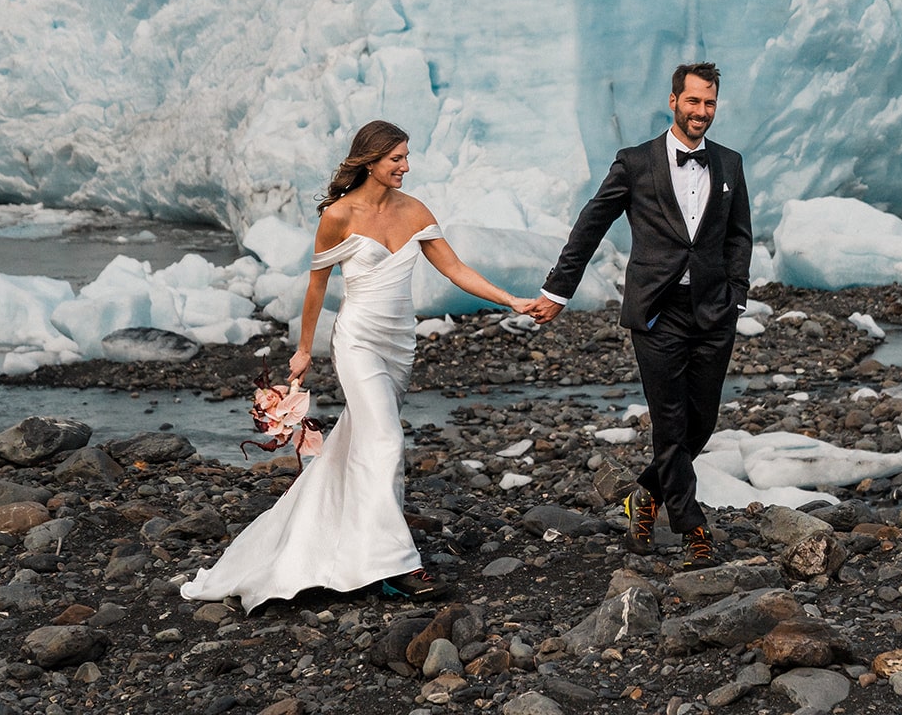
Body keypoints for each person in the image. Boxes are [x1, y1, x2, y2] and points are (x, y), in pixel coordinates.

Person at [182, 120, 532, 612]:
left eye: (407, 157)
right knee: (386, 441)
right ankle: (398, 567)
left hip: (398, 346)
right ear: (370, 160)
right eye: (397, 159)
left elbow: (454, 269)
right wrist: (304, 350)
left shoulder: (415, 211)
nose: (406, 167)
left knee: (362, 443)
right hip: (358, 341)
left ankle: (339, 545)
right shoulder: (338, 216)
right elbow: (316, 288)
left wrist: (509, 300)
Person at [526, 62, 751, 569]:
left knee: (702, 421)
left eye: (709, 103)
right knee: (671, 420)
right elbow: (591, 224)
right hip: (657, 310)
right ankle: (692, 526)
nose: (701, 112)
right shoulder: (634, 162)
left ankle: (645, 495)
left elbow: (739, 235)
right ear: (673, 101)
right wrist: (558, 290)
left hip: (713, 309)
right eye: (693, 102)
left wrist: (736, 294)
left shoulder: (730, 164)